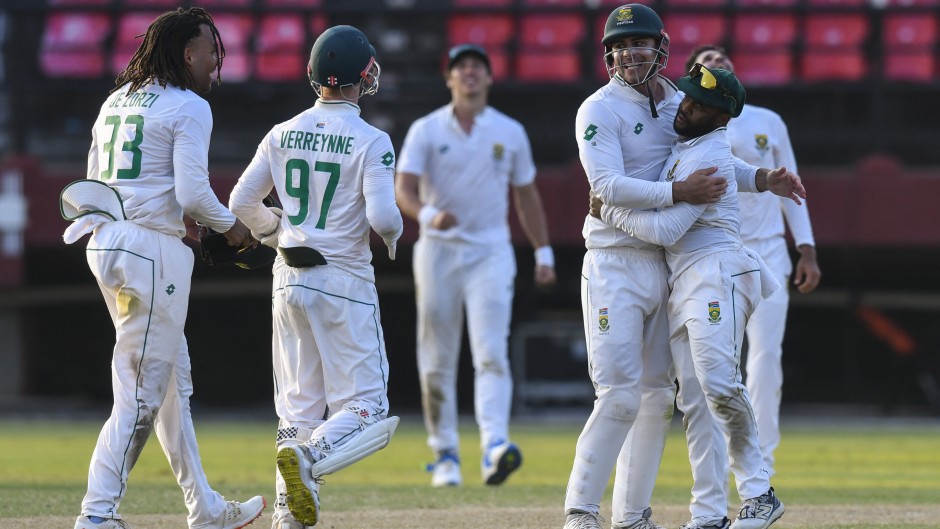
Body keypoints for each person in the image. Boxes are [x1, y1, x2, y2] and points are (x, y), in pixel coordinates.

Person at [563, 5, 805, 529]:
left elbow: (708, 163)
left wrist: (759, 178)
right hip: (614, 260)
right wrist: (692, 189)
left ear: (661, 49)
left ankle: (634, 516)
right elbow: (604, 186)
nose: (630, 53)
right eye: (621, 45)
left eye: (640, 43)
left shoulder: (677, 100)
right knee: (621, 394)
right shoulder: (598, 110)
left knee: (662, 398)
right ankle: (581, 510)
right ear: (608, 53)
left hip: (669, 263)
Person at [61, 7, 265, 529]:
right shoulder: (189, 106)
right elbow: (193, 194)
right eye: (210, 50)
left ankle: (206, 509)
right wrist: (232, 229)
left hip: (105, 241)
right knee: (142, 393)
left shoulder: (115, 100)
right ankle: (97, 513)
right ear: (185, 53)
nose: (217, 60)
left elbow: (91, 185)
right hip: (152, 251)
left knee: (172, 384)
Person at [229, 25, 403, 529]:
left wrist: (274, 230)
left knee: (296, 410)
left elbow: (241, 202)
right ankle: (312, 457)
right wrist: (391, 241)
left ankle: (289, 514)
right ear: (361, 76)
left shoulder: (281, 131)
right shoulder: (372, 138)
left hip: (289, 276)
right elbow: (385, 218)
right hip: (343, 277)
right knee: (368, 408)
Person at [643, 45, 820, 529]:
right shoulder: (693, 142)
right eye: (687, 99)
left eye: (698, 106)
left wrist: (609, 211)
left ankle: (760, 491)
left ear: (720, 118)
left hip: (717, 271)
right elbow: (734, 169)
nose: (686, 108)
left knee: (723, 383)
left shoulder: (714, 149)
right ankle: (708, 513)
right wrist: (763, 177)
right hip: (689, 276)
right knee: (695, 398)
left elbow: (664, 230)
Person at [394, 43, 557, 488]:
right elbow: (402, 188)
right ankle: (445, 454)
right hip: (439, 250)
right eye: (461, 67)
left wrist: (544, 253)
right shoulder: (427, 129)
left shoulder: (509, 131)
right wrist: (428, 215)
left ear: (488, 79)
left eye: (477, 68)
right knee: (437, 357)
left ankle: (494, 447)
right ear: (449, 78)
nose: (469, 74)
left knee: (490, 352)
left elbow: (526, 196)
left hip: (491, 251)